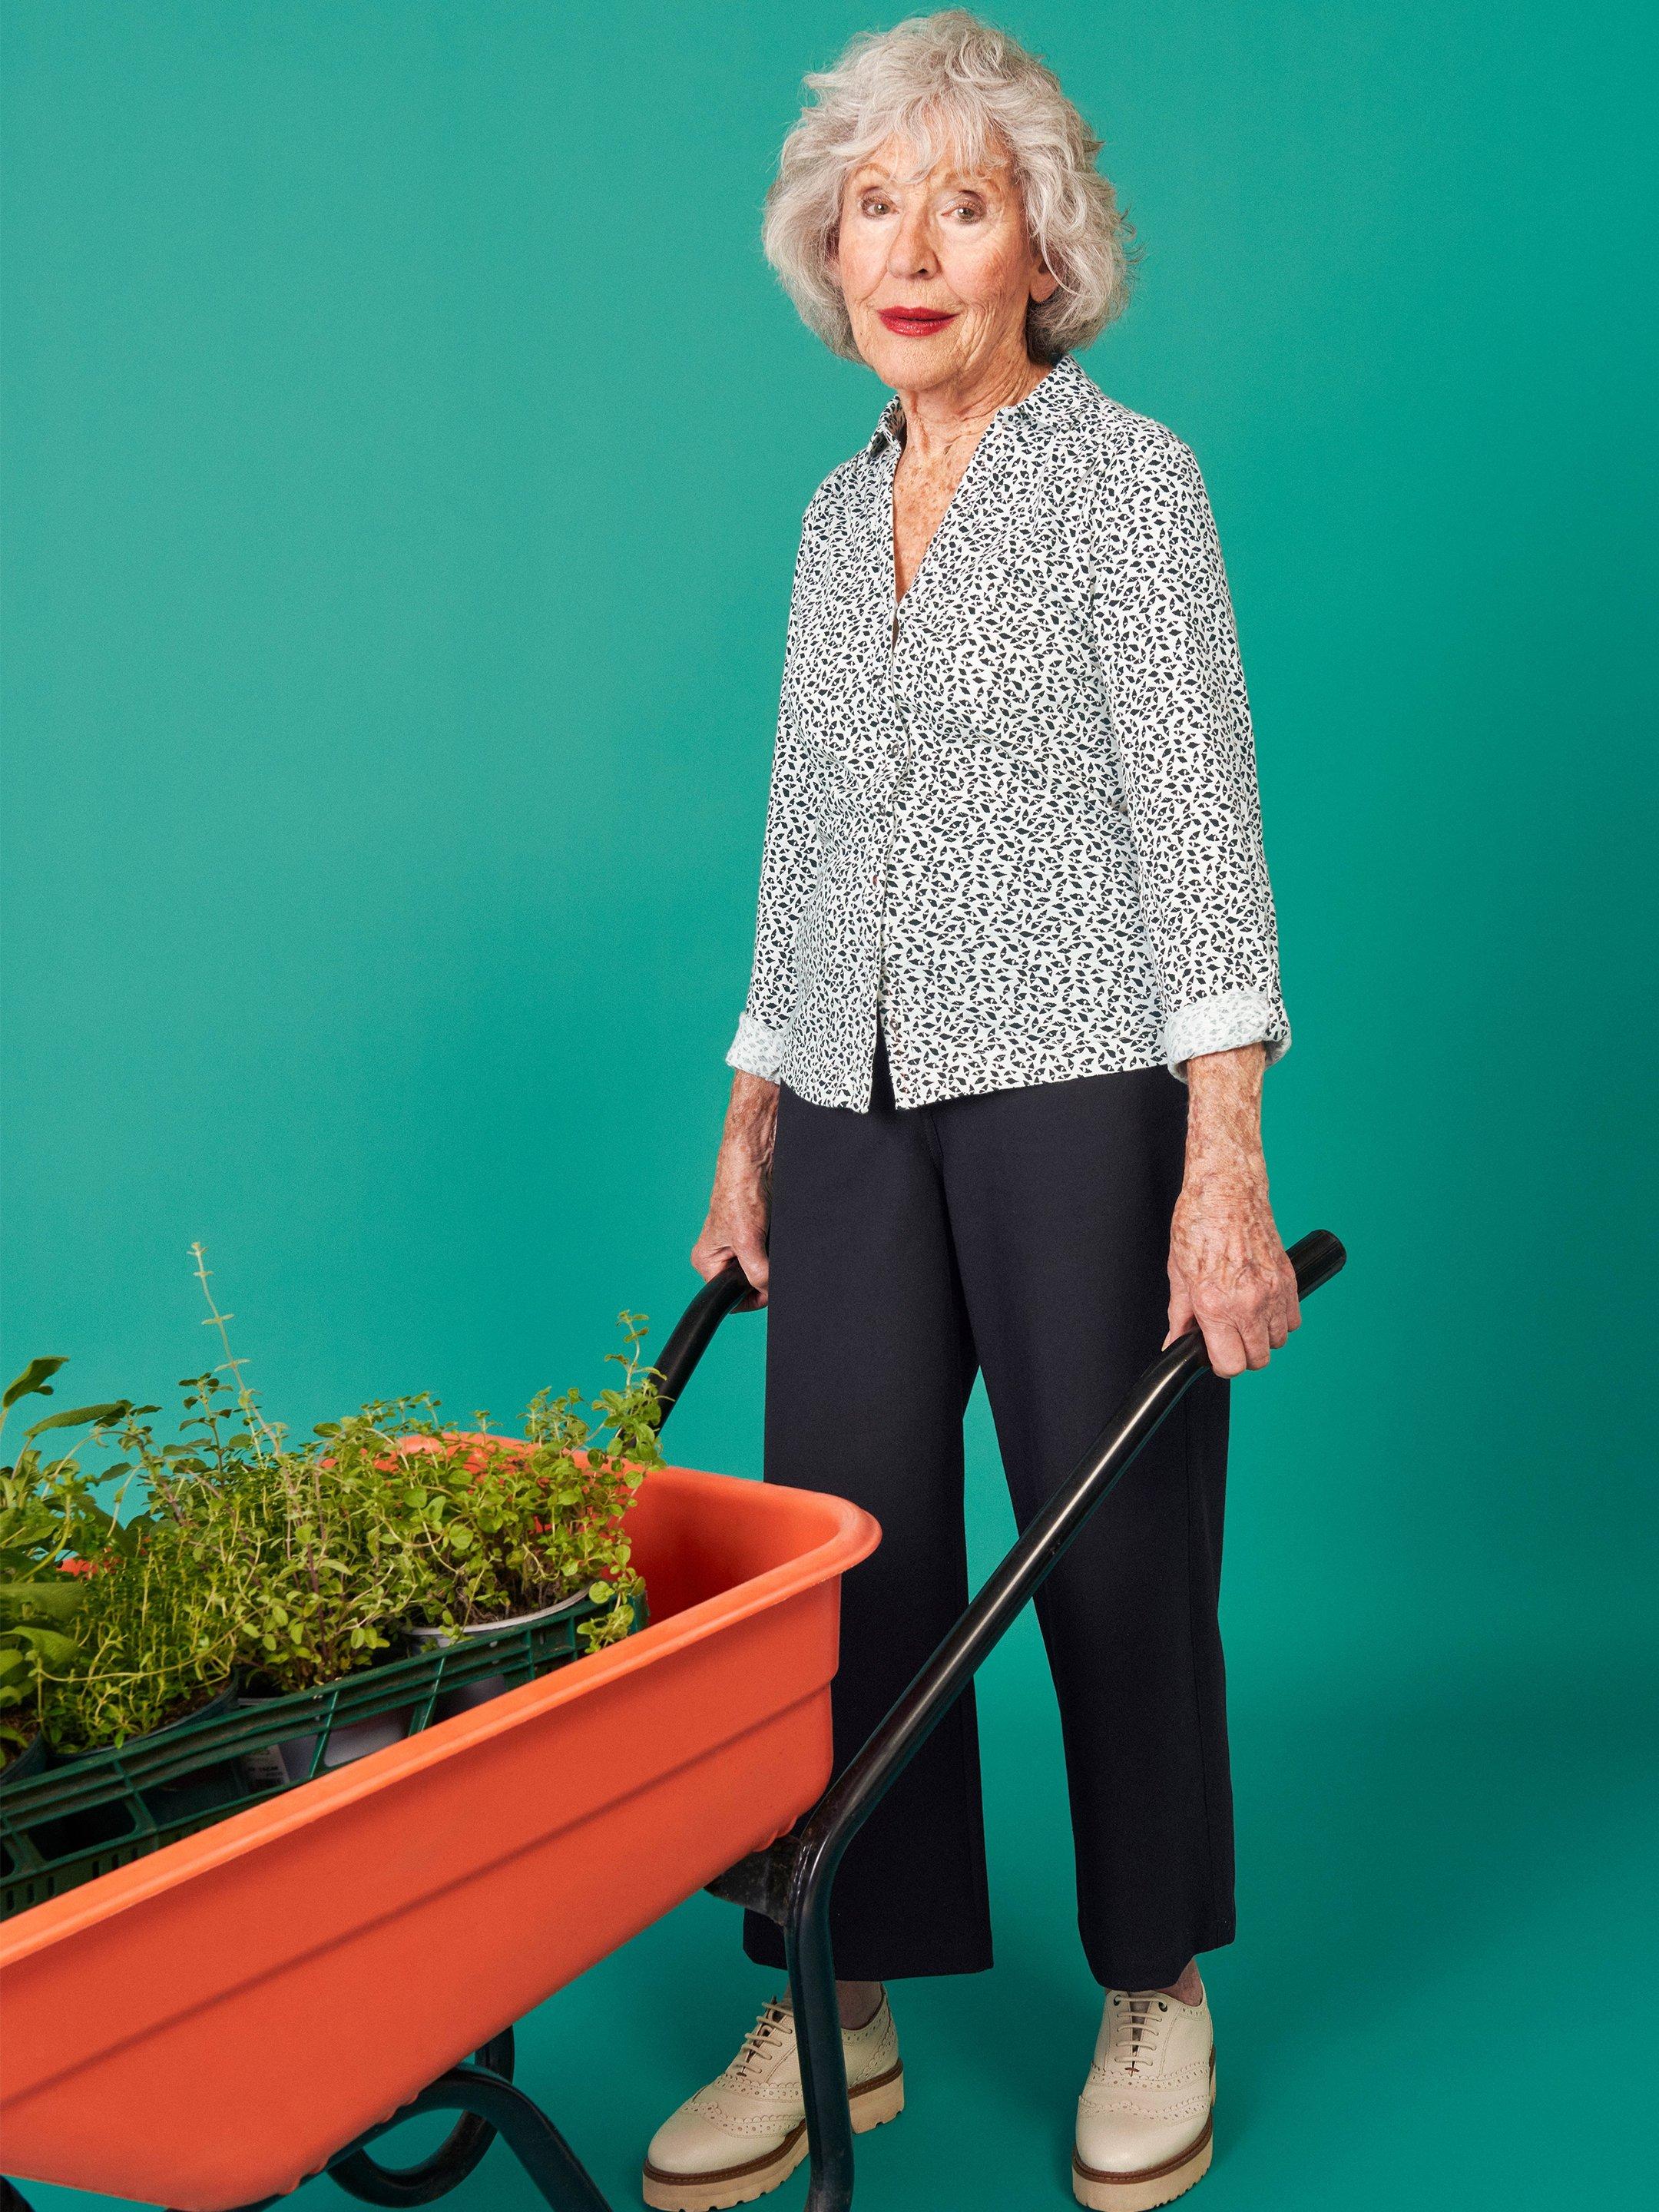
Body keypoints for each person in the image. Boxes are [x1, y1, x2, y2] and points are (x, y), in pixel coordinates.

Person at [644, 13, 1298, 2210]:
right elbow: (802, 835)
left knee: (1114, 1553)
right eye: (871, 203)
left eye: (963, 199)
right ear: (830, 254)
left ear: (1042, 247)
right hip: (852, 1093)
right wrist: (749, 1120)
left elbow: (1203, 832)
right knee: (842, 1558)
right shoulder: (839, 517)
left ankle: (1153, 1980)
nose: (906, 245)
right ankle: (838, 1983)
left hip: (1078, 1089)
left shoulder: (1134, 483)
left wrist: (1227, 1161)